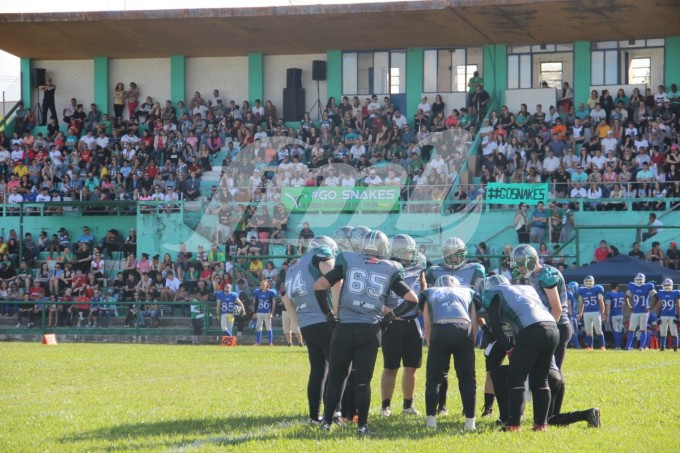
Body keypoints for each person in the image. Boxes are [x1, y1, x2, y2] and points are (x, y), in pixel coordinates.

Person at [313, 230, 419, 436]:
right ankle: (362, 426)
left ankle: (326, 422)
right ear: (385, 249)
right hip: (370, 330)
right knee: (363, 382)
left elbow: (320, 285)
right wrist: (389, 317)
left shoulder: (349, 259)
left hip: (344, 327)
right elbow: (412, 299)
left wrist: (328, 315)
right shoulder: (391, 267)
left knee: (336, 377)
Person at [479, 274, 559, 432]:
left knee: (515, 379)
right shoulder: (526, 289)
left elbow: (495, 324)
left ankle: (513, 424)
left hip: (532, 331)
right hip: (552, 328)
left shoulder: (495, 293)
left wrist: (508, 348)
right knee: (541, 380)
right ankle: (541, 424)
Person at [281, 235, 339, 424]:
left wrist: (298, 323)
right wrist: (336, 310)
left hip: (307, 324)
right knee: (337, 368)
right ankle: (335, 413)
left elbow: (286, 299)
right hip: (324, 318)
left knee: (318, 370)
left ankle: (315, 416)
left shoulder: (293, 267)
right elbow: (335, 278)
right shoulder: (321, 254)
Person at [424, 236, 486, 415]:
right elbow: (430, 304)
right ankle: (441, 406)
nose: (452, 259)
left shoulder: (475, 269)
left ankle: (468, 410)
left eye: (456, 255)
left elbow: (477, 304)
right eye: (449, 256)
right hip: (442, 324)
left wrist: (479, 328)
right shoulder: (434, 271)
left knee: (465, 373)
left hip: (465, 323)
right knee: (441, 370)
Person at [419, 275, 479, 431]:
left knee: (433, 378)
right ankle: (470, 423)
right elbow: (473, 319)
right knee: (468, 379)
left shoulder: (430, 292)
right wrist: (470, 341)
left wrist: (430, 340)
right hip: (463, 328)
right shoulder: (467, 292)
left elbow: (427, 322)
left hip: (441, 328)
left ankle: (431, 421)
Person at [380, 234, 426, 418]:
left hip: (412, 321)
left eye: (410, 251)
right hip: (392, 322)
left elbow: (423, 284)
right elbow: (376, 294)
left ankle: (408, 405)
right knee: (390, 367)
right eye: (405, 251)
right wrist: (387, 312)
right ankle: (385, 406)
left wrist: (423, 304)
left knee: (411, 366)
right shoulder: (386, 266)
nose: (409, 254)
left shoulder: (419, 263)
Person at [491, 358, 601, 428]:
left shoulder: (526, 333)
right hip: (556, 377)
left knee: (544, 421)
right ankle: (587, 414)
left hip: (544, 378)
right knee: (551, 418)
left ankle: (586, 414)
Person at [510, 244, 569, 371]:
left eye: (521, 265)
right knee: (540, 372)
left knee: (553, 372)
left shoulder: (546, 275)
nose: (519, 269)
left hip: (557, 325)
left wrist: (548, 332)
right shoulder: (532, 275)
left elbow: (557, 309)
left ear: (531, 262)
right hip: (546, 326)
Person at [624, 273, 657, 351]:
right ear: (635, 280)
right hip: (635, 311)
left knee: (643, 329)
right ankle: (628, 347)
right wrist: (629, 307)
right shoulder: (632, 286)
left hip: (644, 311)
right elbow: (626, 297)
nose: (639, 281)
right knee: (631, 329)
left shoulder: (648, 287)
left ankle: (641, 347)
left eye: (640, 280)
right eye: (637, 280)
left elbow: (657, 297)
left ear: (644, 280)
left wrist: (651, 307)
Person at [576, 276, 606, 350]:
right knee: (588, 330)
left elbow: (601, 302)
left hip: (596, 312)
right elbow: (581, 303)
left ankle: (602, 346)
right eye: (587, 281)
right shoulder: (582, 291)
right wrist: (580, 313)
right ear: (584, 282)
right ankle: (590, 346)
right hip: (586, 312)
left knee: (598, 329)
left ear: (593, 282)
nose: (588, 283)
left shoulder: (597, 289)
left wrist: (602, 313)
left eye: (590, 281)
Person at [656, 278, 679, 352]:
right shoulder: (676, 293)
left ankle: (662, 347)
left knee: (663, 332)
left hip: (663, 315)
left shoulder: (661, 293)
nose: (666, 286)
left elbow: (659, 306)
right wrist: (678, 316)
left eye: (667, 285)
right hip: (672, 315)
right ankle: (675, 347)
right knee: (673, 332)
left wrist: (658, 316)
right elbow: (678, 306)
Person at [252, 279, 277, 346]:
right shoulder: (258, 292)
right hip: (259, 312)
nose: (262, 286)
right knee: (258, 327)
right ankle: (257, 342)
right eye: (261, 285)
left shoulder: (270, 292)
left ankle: (270, 343)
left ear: (266, 285)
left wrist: (271, 313)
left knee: (268, 327)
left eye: (264, 285)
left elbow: (271, 303)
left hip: (267, 312)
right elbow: (256, 303)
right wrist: (254, 312)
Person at [604, 283, 626, 349]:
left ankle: (617, 346)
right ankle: (620, 345)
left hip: (613, 314)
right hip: (620, 314)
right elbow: (622, 306)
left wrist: (607, 317)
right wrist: (622, 313)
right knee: (619, 330)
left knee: (615, 330)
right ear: (617, 287)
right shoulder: (622, 294)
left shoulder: (608, 294)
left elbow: (608, 306)